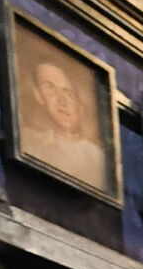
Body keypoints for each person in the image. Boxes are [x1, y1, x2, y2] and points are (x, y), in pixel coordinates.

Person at [21, 46, 105, 185]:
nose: (62, 101)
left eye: (68, 93)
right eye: (50, 87)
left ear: (80, 106)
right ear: (38, 96)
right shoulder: (29, 142)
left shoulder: (100, 160)